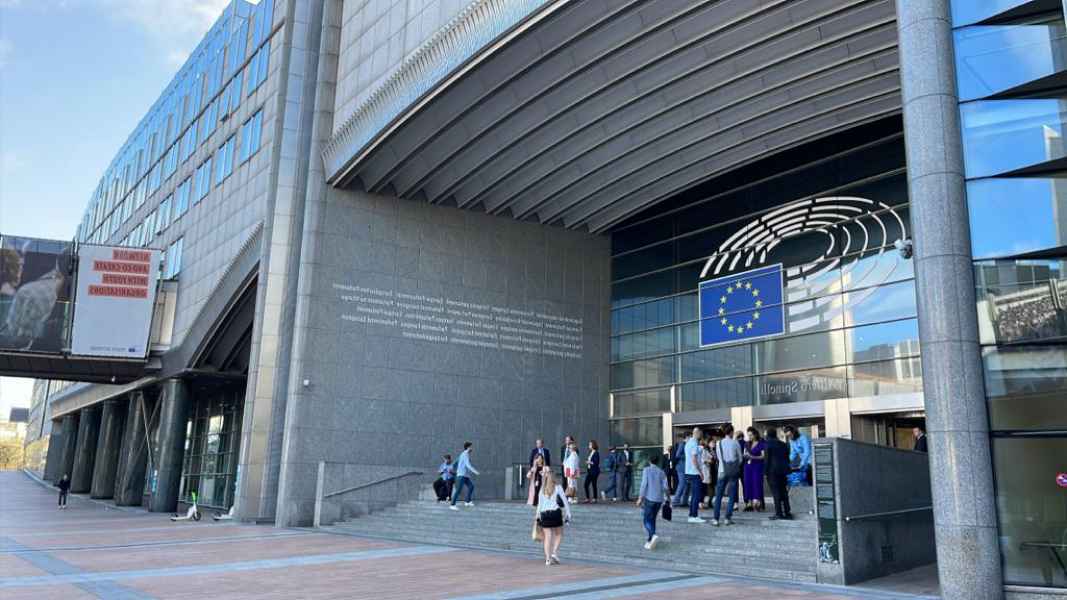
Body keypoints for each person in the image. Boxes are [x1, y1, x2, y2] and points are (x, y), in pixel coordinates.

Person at [536, 467, 572, 566]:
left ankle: (548, 559)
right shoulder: (558, 487)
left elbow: (539, 504)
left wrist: (537, 516)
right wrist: (568, 513)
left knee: (547, 537)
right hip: (555, 514)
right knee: (559, 534)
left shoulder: (542, 489)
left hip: (544, 514)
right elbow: (565, 501)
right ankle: (554, 553)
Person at [711, 424, 742, 526]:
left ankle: (715, 519)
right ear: (731, 432)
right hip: (732, 471)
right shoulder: (735, 443)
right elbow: (740, 459)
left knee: (719, 495)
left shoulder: (719, 443)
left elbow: (718, 458)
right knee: (732, 495)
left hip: (721, 470)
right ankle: (727, 518)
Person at [637, 454, 670, 550]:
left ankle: (653, 535)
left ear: (649, 461)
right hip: (659, 499)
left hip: (649, 498)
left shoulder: (646, 470)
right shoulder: (661, 472)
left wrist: (640, 498)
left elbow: (644, 484)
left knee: (646, 520)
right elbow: (666, 487)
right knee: (653, 519)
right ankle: (650, 540)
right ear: (657, 461)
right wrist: (668, 498)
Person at [764, 427, 792, 520]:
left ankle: (779, 513)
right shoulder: (783, 444)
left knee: (776, 492)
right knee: (783, 491)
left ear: (768, 435)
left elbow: (767, 459)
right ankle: (787, 512)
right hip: (783, 471)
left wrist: (765, 472)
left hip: (772, 472)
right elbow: (787, 458)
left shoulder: (767, 444)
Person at [684, 427, 705, 523]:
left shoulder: (689, 443)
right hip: (694, 472)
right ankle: (693, 516)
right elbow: (694, 459)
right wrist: (700, 472)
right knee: (696, 495)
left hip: (689, 472)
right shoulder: (694, 443)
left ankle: (692, 515)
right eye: (701, 433)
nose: (701, 435)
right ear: (697, 433)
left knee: (694, 495)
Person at [449, 442, 480, 510]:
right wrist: (475, 471)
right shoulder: (465, 454)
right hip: (461, 475)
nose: (472, 448)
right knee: (458, 490)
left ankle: (467, 501)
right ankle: (452, 505)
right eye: (471, 447)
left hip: (465, 475)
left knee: (471, 486)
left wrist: (452, 466)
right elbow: (468, 465)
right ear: (468, 447)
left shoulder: (463, 454)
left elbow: (456, 461)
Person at [743, 427, 766, 512]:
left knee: (757, 483)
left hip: (757, 466)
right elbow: (744, 453)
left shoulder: (761, 443)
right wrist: (745, 456)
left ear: (755, 434)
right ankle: (749, 503)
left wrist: (753, 457)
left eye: (751, 435)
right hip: (748, 466)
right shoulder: (747, 444)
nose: (749, 437)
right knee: (748, 483)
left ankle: (757, 502)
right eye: (748, 435)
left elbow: (763, 456)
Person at [671, 432, 689, 505]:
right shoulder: (682, 444)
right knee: (682, 484)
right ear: (687, 437)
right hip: (681, 467)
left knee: (686, 484)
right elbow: (677, 455)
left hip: (685, 468)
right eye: (690, 437)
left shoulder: (687, 444)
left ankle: (684, 501)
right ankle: (675, 501)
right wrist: (687, 456)